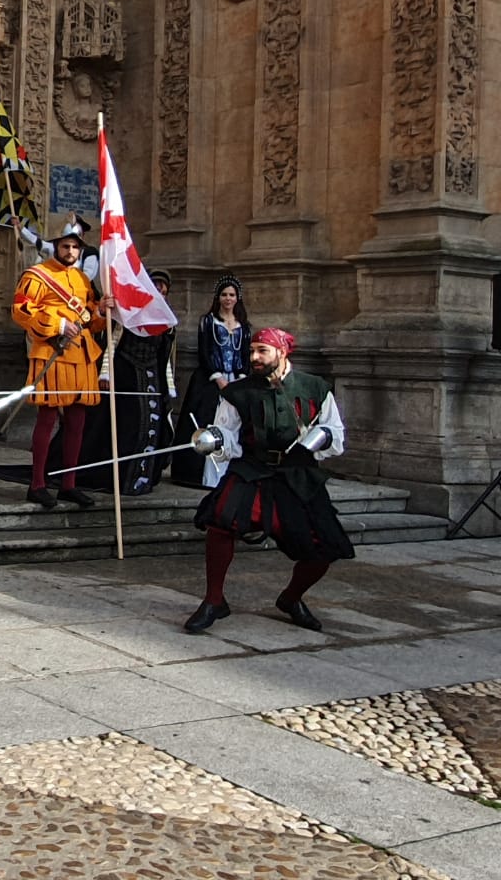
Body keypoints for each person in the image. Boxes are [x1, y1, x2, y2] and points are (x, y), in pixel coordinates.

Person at [185, 328, 349, 635]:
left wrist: (321, 437)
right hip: (252, 468)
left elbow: (335, 433)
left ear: (282, 352)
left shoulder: (315, 387)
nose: (254, 358)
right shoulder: (237, 392)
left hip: (297, 474)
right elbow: (227, 432)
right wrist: (215, 440)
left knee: (326, 547)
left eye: (262, 351)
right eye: (252, 352)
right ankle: (214, 601)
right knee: (221, 523)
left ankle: (291, 598)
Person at [11, 223, 114, 508]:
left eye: (75, 247)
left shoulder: (82, 280)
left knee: (78, 423)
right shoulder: (36, 275)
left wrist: (102, 312)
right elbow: (20, 311)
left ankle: (68, 484)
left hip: (81, 355)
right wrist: (58, 324)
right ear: (56, 246)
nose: (70, 251)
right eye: (66, 246)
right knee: (47, 419)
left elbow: (92, 322)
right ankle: (37, 484)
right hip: (51, 352)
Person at [173, 275, 251, 488]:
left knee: (235, 425)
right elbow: (205, 352)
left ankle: (230, 475)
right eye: (224, 295)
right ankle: (203, 475)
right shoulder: (208, 321)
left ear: (237, 298)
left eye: (232, 295)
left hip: (236, 380)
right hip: (210, 380)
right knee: (207, 422)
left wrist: (241, 379)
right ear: (218, 298)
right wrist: (218, 378)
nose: (228, 299)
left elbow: (244, 355)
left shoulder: (243, 325)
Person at [111, 267, 179, 495]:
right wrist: (106, 373)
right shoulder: (129, 310)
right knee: (129, 428)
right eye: (155, 284)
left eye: (163, 286)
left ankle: (144, 478)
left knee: (152, 426)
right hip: (127, 375)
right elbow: (113, 340)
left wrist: (168, 385)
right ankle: (123, 479)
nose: (159, 288)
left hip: (152, 376)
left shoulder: (166, 317)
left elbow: (166, 355)